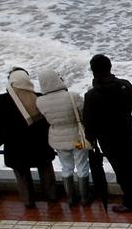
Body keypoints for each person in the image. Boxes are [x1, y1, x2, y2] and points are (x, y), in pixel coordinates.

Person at [82, 54, 132, 213]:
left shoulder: (91, 95)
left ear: (93, 71)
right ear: (110, 67)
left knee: (120, 169)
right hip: (127, 133)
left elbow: (88, 122)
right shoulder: (123, 85)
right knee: (130, 161)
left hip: (107, 140)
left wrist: (91, 140)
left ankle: (130, 203)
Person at [0, 68, 58, 208]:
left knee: (21, 174)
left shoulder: (2, 100)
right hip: (39, 143)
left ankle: (28, 201)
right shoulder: (38, 98)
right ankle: (52, 196)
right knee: (45, 170)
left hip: (15, 146)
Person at [35, 68, 92, 207]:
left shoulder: (40, 101)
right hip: (76, 140)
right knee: (82, 165)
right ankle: (84, 197)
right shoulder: (72, 96)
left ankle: (71, 198)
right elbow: (84, 113)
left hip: (58, 141)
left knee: (66, 167)